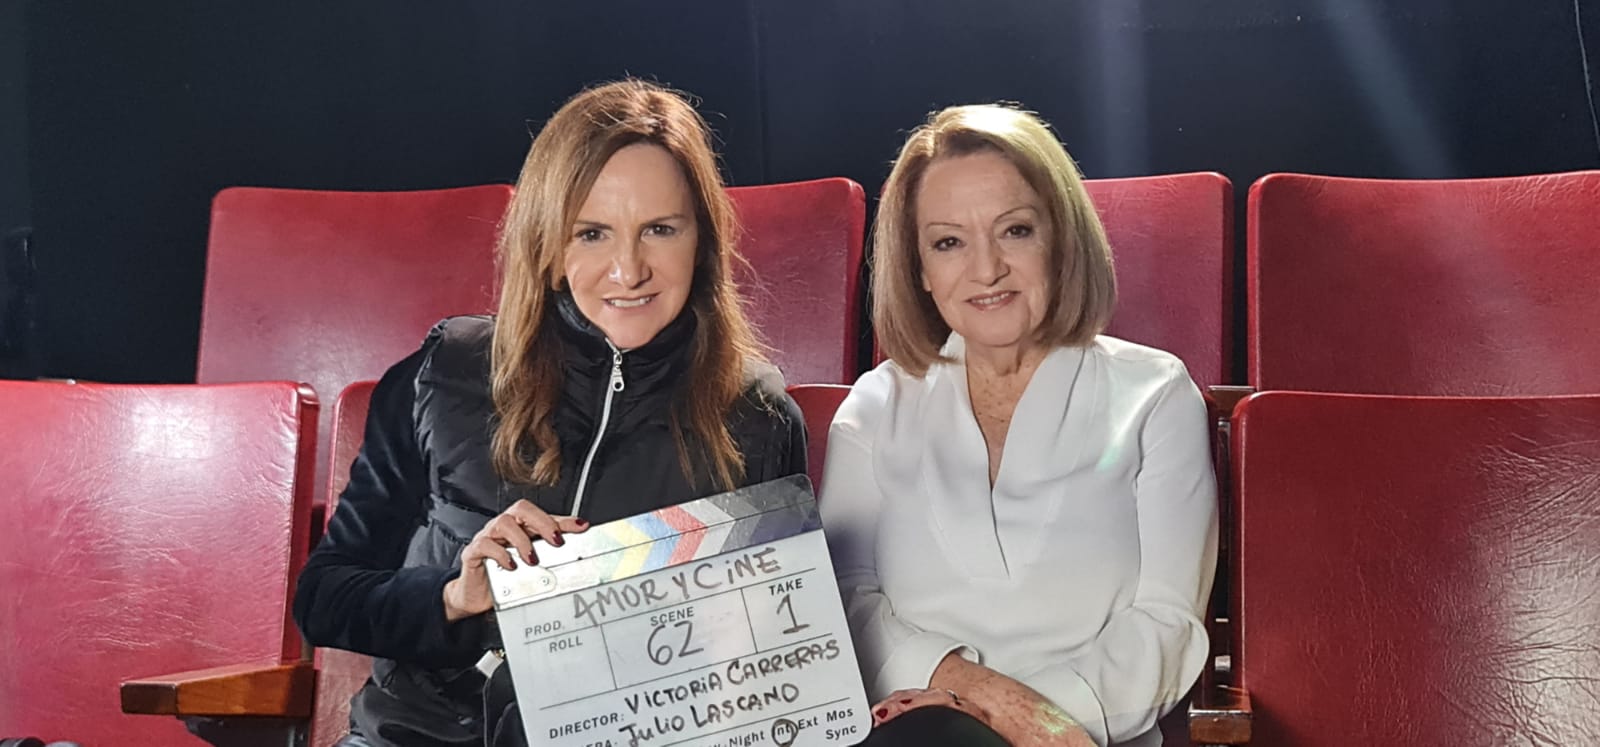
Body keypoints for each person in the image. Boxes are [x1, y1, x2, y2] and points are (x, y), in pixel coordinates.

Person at [293, 79, 807, 747]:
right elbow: (324, 598)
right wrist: (455, 597)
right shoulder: (444, 373)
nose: (628, 269)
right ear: (547, 243)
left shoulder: (758, 419)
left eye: (660, 229)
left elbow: (775, 668)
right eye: (591, 233)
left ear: (702, 240)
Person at [820, 104, 1218, 746]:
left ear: (1061, 238)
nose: (986, 269)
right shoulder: (873, 406)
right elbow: (845, 601)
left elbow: (1167, 623)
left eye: (1015, 230)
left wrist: (1038, 726)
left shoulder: (1156, 393)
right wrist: (981, 705)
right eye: (948, 242)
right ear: (920, 269)